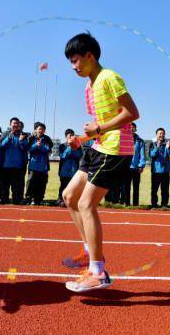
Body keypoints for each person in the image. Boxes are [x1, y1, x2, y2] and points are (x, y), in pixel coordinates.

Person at [61, 32, 138, 292]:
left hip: (116, 150)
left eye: (75, 61)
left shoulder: (109, 78)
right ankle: (89, 252)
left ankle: (99, 272)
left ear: (90, 56)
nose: (73, 67)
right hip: (97, 146)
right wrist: (82, 139)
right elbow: (97, 129)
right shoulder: (88, 86)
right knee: (70, 196)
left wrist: (98, 128)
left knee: (86, 204)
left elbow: (132, 113)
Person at [0, 117, 29, 204]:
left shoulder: (23, 135)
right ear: (10, 124)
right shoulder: (5, 134)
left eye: (17, 123)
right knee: (5, 186)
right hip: (6, 165)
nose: (15, 125)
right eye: (13, 123)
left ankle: (16, 202)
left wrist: (21, 141)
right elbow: (0, 146)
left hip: (18, 165)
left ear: (19, 125)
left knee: (16, 187)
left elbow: (26, 148)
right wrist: (8, 138)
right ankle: (4, 201)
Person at [25, 122, 53, 205]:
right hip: (33, 164)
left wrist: (40, 146)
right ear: (36, 129)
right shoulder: (31, 138)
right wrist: (35, 145)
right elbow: (29, 150)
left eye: (43, 129)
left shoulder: (47, 139)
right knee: (30, 182)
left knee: (42, 183)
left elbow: (48, 150)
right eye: (40, 129)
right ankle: (28, 198)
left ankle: (39, 199)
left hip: (43, 166)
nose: (41, 130)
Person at [122, 122, 145, 206]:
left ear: (136, 129)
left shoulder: (140, 141)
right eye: (130, 127)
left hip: (136, 168)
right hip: (126, 167)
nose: (131, 129)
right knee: (126, 187)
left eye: (133, 128)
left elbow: (142, 154)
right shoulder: (123, 139)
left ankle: (135, 204)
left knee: (136, 187)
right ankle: (126, 203)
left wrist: (141, 166)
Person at [58, 129, 82, 206]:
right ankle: (60, 200)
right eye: (70, 135)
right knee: (63, 185)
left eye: (72, 135)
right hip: (64, 169)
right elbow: (63, 156)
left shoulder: (78, 146)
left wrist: (74, 146)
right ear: (66, 136)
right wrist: (70, 146)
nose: (71, 137)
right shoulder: (62, 146)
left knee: (73, 187)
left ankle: (71, 201)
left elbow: (79, 156)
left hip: (74, 170)